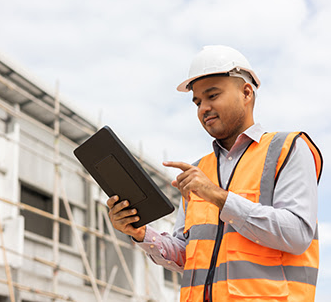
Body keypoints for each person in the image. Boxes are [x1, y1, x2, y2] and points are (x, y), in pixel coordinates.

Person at [106, 45, 323, 302]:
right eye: (197, 102)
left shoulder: (288, 149)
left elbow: (297, 235)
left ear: (246, 93)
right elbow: (188, 256)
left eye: (212, 95)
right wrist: (141, 233)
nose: (203, 108)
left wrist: (217, 196)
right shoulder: (200, 171)